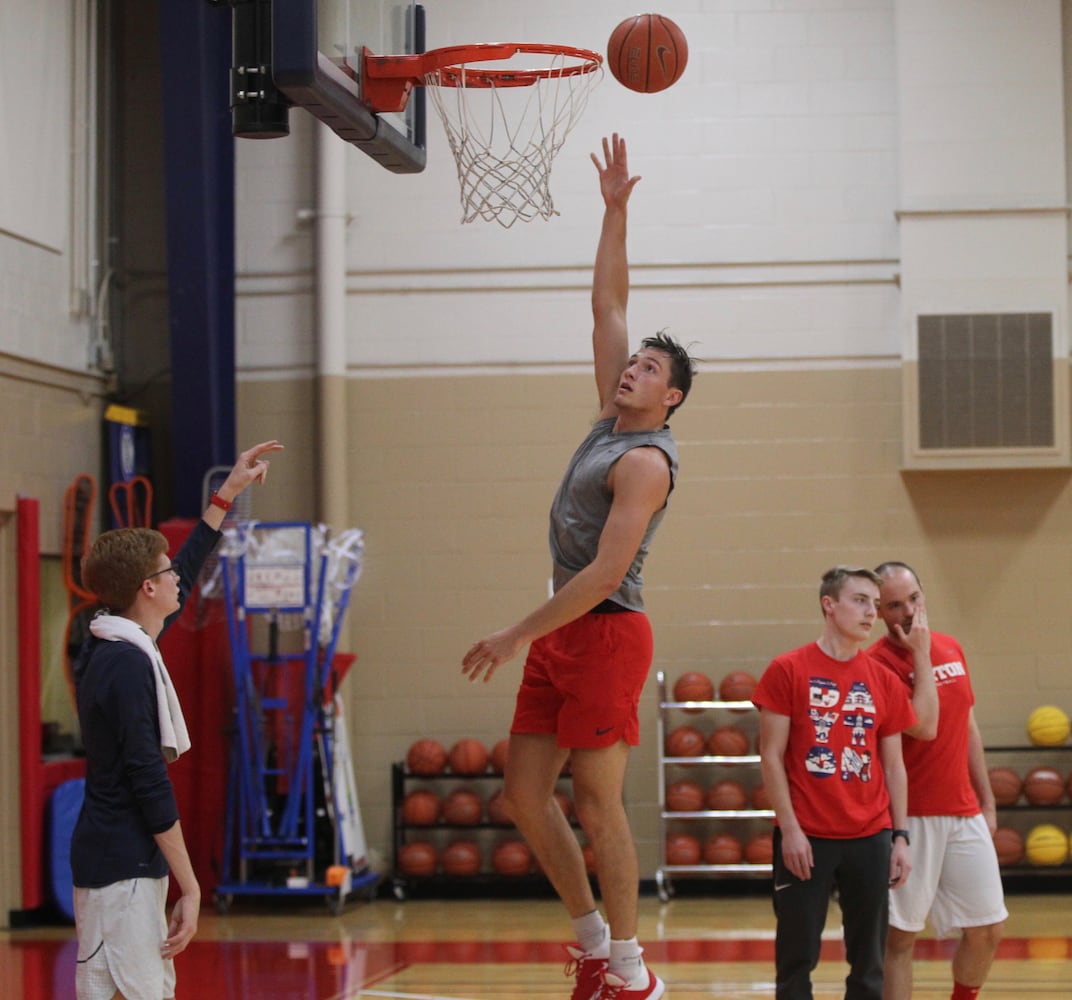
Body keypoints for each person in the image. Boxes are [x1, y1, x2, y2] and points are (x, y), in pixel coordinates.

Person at [461, 134, 696, 1000]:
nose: (632, 368)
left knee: (598, 804)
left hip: (603, 632)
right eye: (634, 363)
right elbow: (607, 304)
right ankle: (593, 941)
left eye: (649, 369)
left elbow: (601, 577)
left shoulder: (647, 462)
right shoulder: (608, 420)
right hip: (563, 630)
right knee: (525, 796)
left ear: (670, 397)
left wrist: (515, 632)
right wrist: (615, 210)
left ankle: (632, 970)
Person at [71, 439, 284, 1000]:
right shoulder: (126, 664)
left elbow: (186, 566)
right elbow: (148, 779)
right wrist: (191, 886)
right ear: (146, 589)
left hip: (117, 858)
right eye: (165, 575)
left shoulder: (115, 640)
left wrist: (228, 494)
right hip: (122, 863)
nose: (177, 582)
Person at [753, 566, 918, 1000]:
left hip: (871, 836)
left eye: (874, 603)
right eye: (860, 600)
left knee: (868, 964)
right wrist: (789, 828)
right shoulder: (787, 669)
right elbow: (770, 755)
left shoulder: (883, 679)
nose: (872, 612)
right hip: (806, 836)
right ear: (830, 604)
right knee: (796, 961)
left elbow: (895, 766)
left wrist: (900, 836)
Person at [870, 561, 1007, 1000]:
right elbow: (924, 725)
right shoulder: (875, 666)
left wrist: (986, 802)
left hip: (963, 811)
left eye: (914, 598)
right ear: (878, 611)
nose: (909, 611)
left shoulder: (952, 646)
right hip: (910, 820)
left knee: (988, 927)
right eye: (895, 605)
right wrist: (921, 654)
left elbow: (967, 725)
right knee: (900, 939)